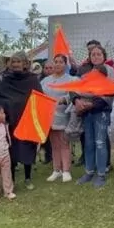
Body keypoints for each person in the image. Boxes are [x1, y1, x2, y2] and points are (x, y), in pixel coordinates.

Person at [0, 51, 43, 190]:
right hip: (12, 120)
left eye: (18, 61)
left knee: (28, 149)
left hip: (27, 120)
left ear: (25, 64)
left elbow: (39, 98)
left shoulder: (32, 79)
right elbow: (0, 98)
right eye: (13, 62)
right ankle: (12, 180)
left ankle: (28, 178)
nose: (15, 64)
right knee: (12, 150)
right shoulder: (6, 80)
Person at [73, 45, 114, 188]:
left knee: (100, 142)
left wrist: (92, 104)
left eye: (98, 54)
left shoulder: (110, 71)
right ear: (89, 57)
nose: (95, 57)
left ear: (104, 56)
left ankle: (101, 174)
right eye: (93, 54)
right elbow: (76, 89)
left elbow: (109, 92)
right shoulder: (86, 73)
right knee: (89, 142)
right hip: (87, 113)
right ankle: (89, 172)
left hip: (101, 112)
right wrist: (77, 101)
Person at [41, 55, 76, 183]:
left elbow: (74, 94)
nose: (58, 64)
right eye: (56, 62)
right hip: (49, 117)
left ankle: (66, 170)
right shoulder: (45, 81)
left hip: (63, 115)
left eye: (61, 62)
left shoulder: (71, 79)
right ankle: (56, 170)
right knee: (54, 144)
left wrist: (65, 99)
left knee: (64, 143)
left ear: (65, 64)